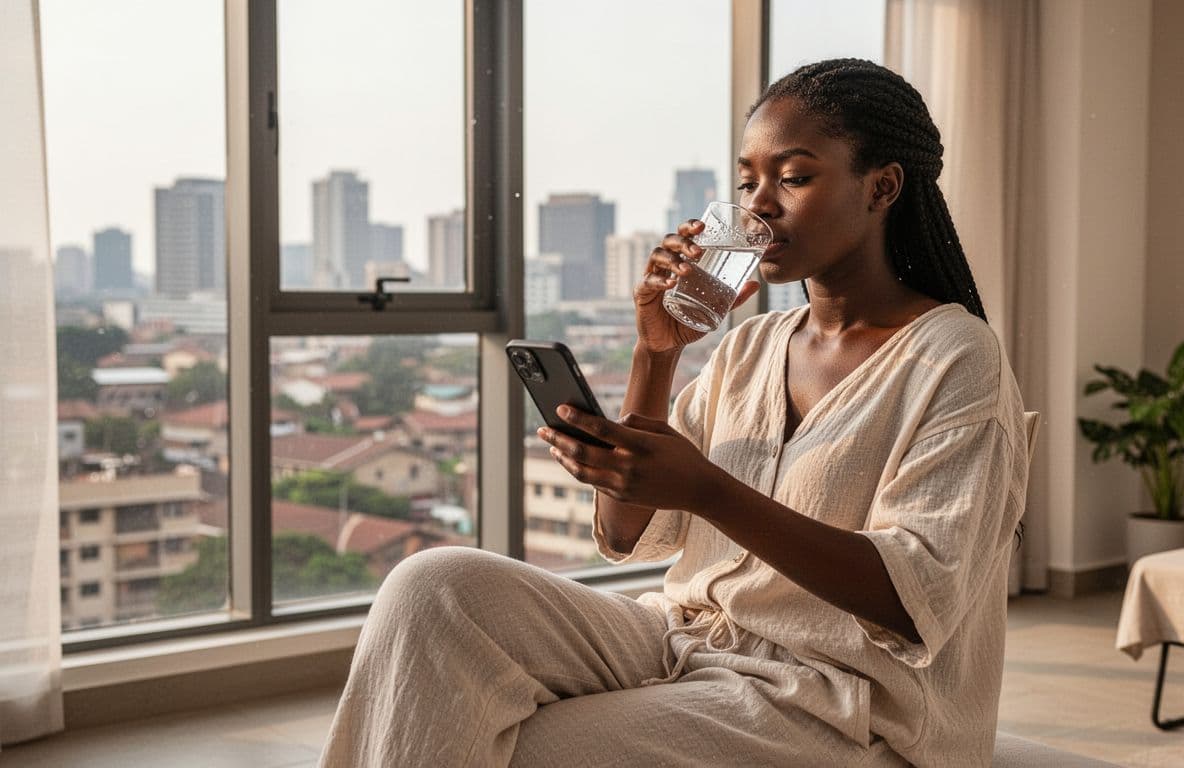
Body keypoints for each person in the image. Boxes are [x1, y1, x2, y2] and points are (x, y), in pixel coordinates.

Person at [319, 58, 1028, 768]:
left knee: (532, 747)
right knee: (433, 586)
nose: (761, 204)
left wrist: (709, 490)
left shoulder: (956, 359)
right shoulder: (751, 346)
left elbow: (913, 601)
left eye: (794, 176)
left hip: (841, 701)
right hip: (685, 638)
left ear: (882, 187)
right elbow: (631, 533)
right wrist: (655, 354)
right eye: (748, 181)